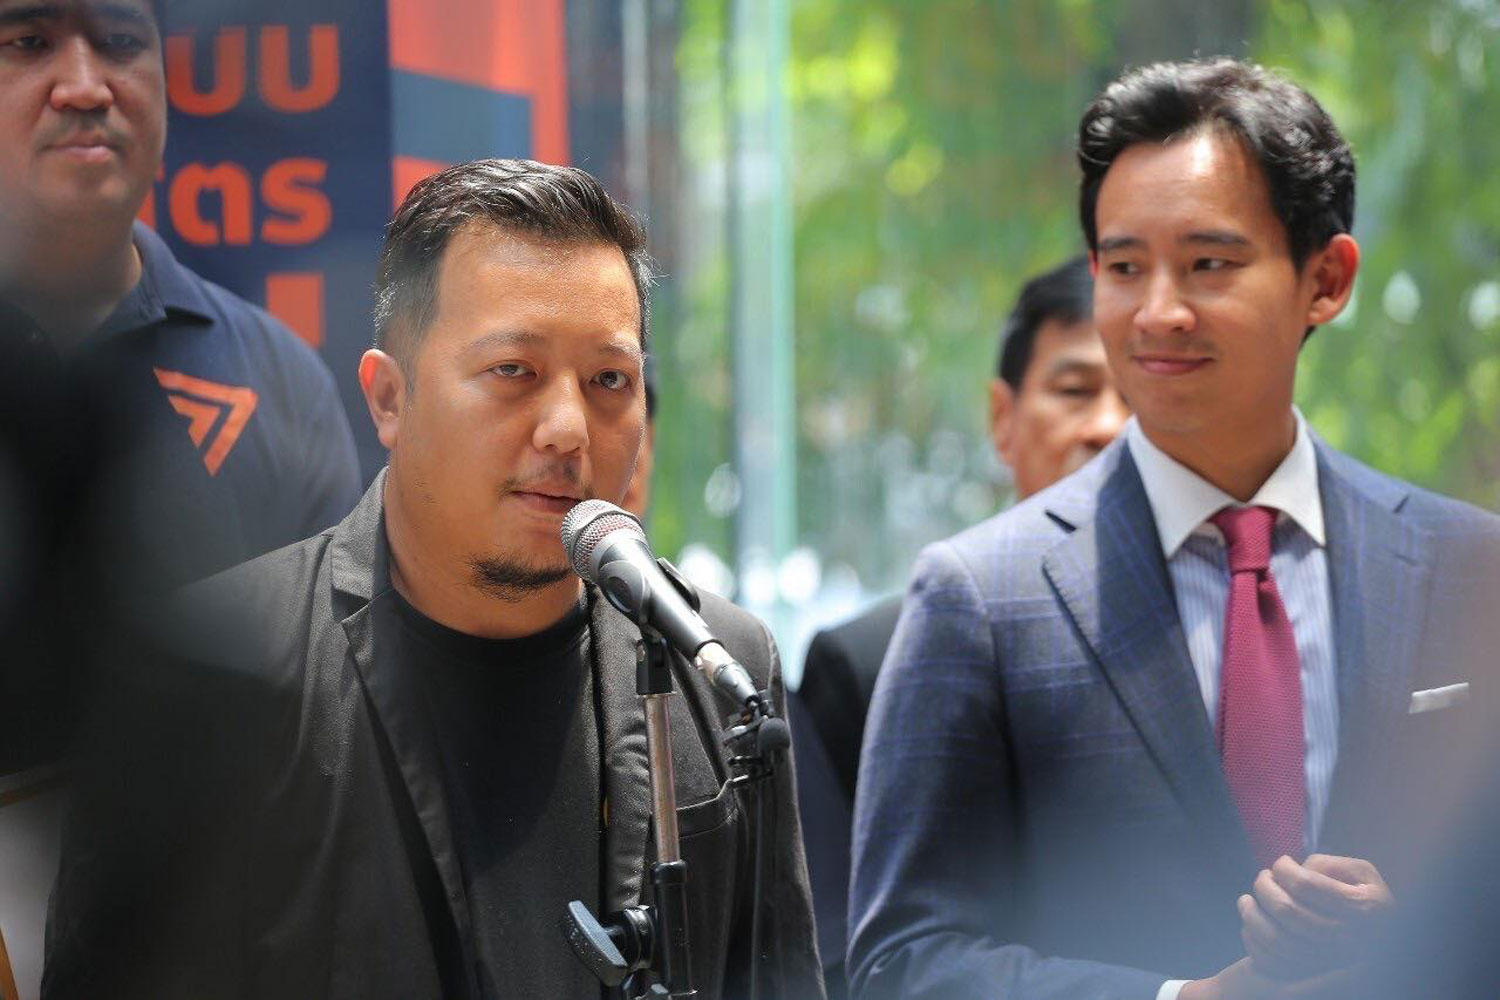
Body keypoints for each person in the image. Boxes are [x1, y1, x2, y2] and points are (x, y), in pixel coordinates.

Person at [44, 158, 824, 1000]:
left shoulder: (717, 662)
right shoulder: (201, 679)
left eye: (609, 381)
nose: (568, 429)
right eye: (513, 371)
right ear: (388, 398)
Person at [848, 58, 1500, 1000]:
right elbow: (903, 960)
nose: (1158, 312)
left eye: (1209, 264)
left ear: (1327, 279)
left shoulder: (1468, 569)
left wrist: (1417, 937)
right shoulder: (982, 599)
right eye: (1123, 267)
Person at [1, 3, 359, 995]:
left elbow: (337, 759)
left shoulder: (281, 386)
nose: (85, 83)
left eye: (120, 40)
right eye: (26, 42)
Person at [791, 256, 1126, 997]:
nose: (1107, 426)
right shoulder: (867, 666)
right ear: (1002, 418)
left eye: (1136, 399)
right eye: (1075, 390)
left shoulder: (1221, 634)